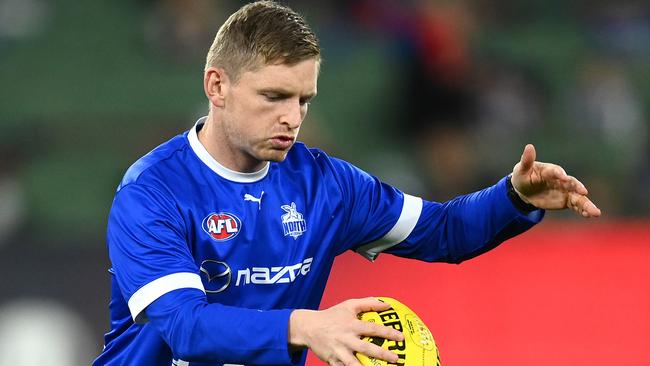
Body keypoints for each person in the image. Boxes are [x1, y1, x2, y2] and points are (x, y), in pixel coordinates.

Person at [92, 2, 601, 366]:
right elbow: (184, 326)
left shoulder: (325, 186)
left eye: (304, 100)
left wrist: (512, 197)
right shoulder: (152, 191)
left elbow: (444, 230)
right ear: (217, 85)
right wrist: (307, 326)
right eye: (274, 96)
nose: (292, 118)